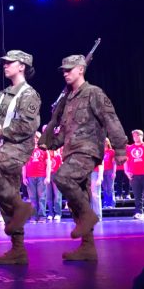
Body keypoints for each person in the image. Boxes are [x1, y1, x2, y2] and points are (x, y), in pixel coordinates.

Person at [40, 54, 127, 261]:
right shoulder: (68, 99)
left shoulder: (93, 93)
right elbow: (64, 133)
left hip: (88, 150)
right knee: (80, 197)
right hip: (70, 151)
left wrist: (120, 149)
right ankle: (87, 247)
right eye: (64, 70)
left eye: (70, 69)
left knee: (62, 178)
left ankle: (88, 216)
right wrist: (49, 141)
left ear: (81, 69)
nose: (65, 73)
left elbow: (110, 119)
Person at [0, 50, 41, 265]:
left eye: (9, 63)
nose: (5, 66)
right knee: (6, 198)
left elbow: (27, 126)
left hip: (18, 148)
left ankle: (21, 207)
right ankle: (18, 249)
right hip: (3, 148)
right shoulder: (3, 93)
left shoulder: (29, 94)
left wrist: (2, 131)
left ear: (22, 66)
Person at [125, 129, 144, 220]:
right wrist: (127, 172)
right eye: (134, 136)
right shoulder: (130, 148)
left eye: (137, 135)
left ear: (141, 136)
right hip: (134, 175)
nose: (135, 137)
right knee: (137, 195)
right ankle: (139, 212)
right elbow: (126, 161)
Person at [22, 131, 51, 224]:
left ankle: (42, 216)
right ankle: (34, 216)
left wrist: (48, 177)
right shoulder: (27, 150)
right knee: (32, 198)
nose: (35, 140)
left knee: (42, 197)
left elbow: (48, 164)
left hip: (41, 176)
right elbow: (24, 165)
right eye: (34, 138)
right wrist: (24, 177)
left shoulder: (44, 150)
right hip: (30, 176)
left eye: (37, 138)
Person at [46, 147, 63, 221]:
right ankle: (50, 213)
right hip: (48, 176)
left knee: (57, 195)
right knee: (48, 195)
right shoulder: (46, 156)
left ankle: (58, 213)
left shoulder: (58, 156)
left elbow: (61, 167)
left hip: (56, 176)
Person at [102, 138, 116, 208]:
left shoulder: (111, 151)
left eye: (106, 141)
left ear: (108, 142)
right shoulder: (100, 151)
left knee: (110, 187)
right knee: (104, 188)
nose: (104, 143)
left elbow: (114, 163)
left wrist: (114, 172)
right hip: (102, 171)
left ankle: (111, 204)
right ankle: (105, 203)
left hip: (110, 170)